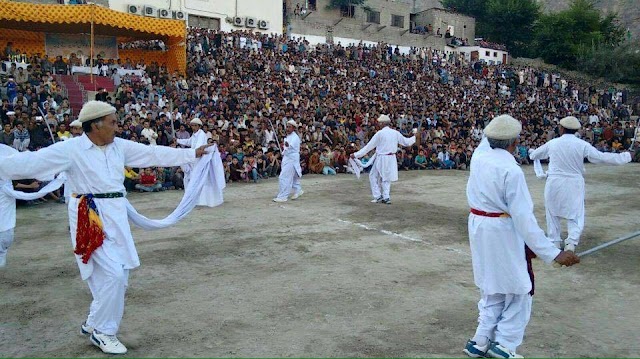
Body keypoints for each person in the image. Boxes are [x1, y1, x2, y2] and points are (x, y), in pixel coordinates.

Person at [0, 101, 210, 355]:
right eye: (112, 122)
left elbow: (152, 154)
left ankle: (93, 323)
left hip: (117, 214)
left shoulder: (119, 146)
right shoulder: (70, 149)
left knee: (119, 273)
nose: (117, 126)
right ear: (96, 124)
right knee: (113, 274)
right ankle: (103, 331)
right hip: (89, 216)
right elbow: (30, 163)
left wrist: (191, 153)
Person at [464, 114, 580, 359]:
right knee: (521, 288)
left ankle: (480, 340)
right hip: (502, 230)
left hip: (479, 226)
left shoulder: (479, 155)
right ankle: (505, 344)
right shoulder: (510, 170)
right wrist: (553, 253)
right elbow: (524, 220)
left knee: (492, 287)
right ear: (514, 144)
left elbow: (489, 140)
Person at [529, 116, 631, 252]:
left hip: (555, 182)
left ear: (561, 128)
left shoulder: (553, 143)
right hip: (574, 182)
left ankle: (555, 242)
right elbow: (601, 158)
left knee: (552, 212)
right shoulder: (581, 144)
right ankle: (571, 243)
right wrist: (626, 156)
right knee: (575, 212)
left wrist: (531, 152)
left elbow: (535, 155)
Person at [350, 114, 415, 204]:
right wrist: (415, 137)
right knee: (384, 178)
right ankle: (384, 197)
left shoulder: (380, 133)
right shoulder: (395, 133)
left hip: (382, 157)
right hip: (390, 157)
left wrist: (356, 155)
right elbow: (406, 142)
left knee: (376, 176)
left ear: (382, 123)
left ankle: (382, 196)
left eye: (379, 123)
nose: (378, 124)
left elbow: (369, 147)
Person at [176, 118, 223, 207]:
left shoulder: (201, 134)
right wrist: (178, 140)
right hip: (194, 159)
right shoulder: (194, 135)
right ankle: (193, 199)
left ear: (199, 126)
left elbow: (198, 147)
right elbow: (188, 142)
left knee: (200, 179)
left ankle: (202, 200)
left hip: (199, 160)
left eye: (194, 125)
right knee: (190, 178)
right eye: (192, 125)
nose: (193, 127)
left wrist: (188, 153)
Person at [273, 120, 303, 202]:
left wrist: (284, 145)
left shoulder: (295, 137)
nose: (287, 128)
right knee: (293, 177)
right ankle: (298, 190)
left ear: (293, 128)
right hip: (287, 158)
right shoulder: (288, 136)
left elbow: (289, 146)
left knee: (284, 177)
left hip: (291, 159)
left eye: (289, 127)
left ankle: (283, 196)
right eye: (287, 127)